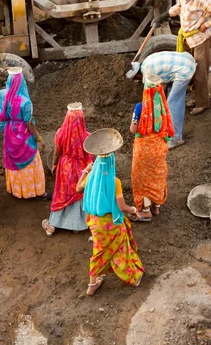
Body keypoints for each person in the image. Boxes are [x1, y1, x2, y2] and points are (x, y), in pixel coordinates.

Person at [80, 128, 144, 296]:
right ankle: (133, 278)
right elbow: (122, 207)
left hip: (94, 222)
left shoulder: (91, 176)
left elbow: (78, 188)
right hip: (110, 224)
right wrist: (133, 210)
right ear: (112, 164)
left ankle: (92, 284)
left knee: (98, 251)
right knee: (120, 249)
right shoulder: (114, 182)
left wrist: (86, 171)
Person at [154, 0, 211, 116]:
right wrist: (162, 17)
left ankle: (203, 103)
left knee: (200, 73)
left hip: (199, 40)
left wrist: (207, 24)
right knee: (189, 69)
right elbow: (179, 7)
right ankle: (196, 98)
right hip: (186, 38)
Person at [0, 67, 47, 199]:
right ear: (22, 83)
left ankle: (16, 189)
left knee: (13, 159)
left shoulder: (2, 94)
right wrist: (39, 139)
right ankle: (35, 191)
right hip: (23, 135)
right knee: (30, 158)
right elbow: (30, 124)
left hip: (9, 131)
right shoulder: (25, 103)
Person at [127, 51, 196, 149]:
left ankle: (177, 139)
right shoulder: (146, 62)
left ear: (137, 74)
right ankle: (170, 124)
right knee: (169, 92)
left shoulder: (147, 75)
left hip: (184, 71)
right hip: (187, 60)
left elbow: (151, 98)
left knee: (172, 103)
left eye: (136, 78)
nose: (137, 81)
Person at [42, 103, 93, 236]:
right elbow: (90, 155)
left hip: (66, 167)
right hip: (81, 168)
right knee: (78, 194)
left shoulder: (60, 133)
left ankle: (53, 224)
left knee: (63, 194)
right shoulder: (87, 136)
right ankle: (77, 224)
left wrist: (54, 164)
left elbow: (57, 152)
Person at [130, 74, 174, 221]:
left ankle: (146, 210)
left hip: (144, 148)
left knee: (143, 179)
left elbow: (133, 129)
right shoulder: (163, 106)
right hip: (159, 146)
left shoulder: (139, 107)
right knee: (157, 175)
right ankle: (156, 206)